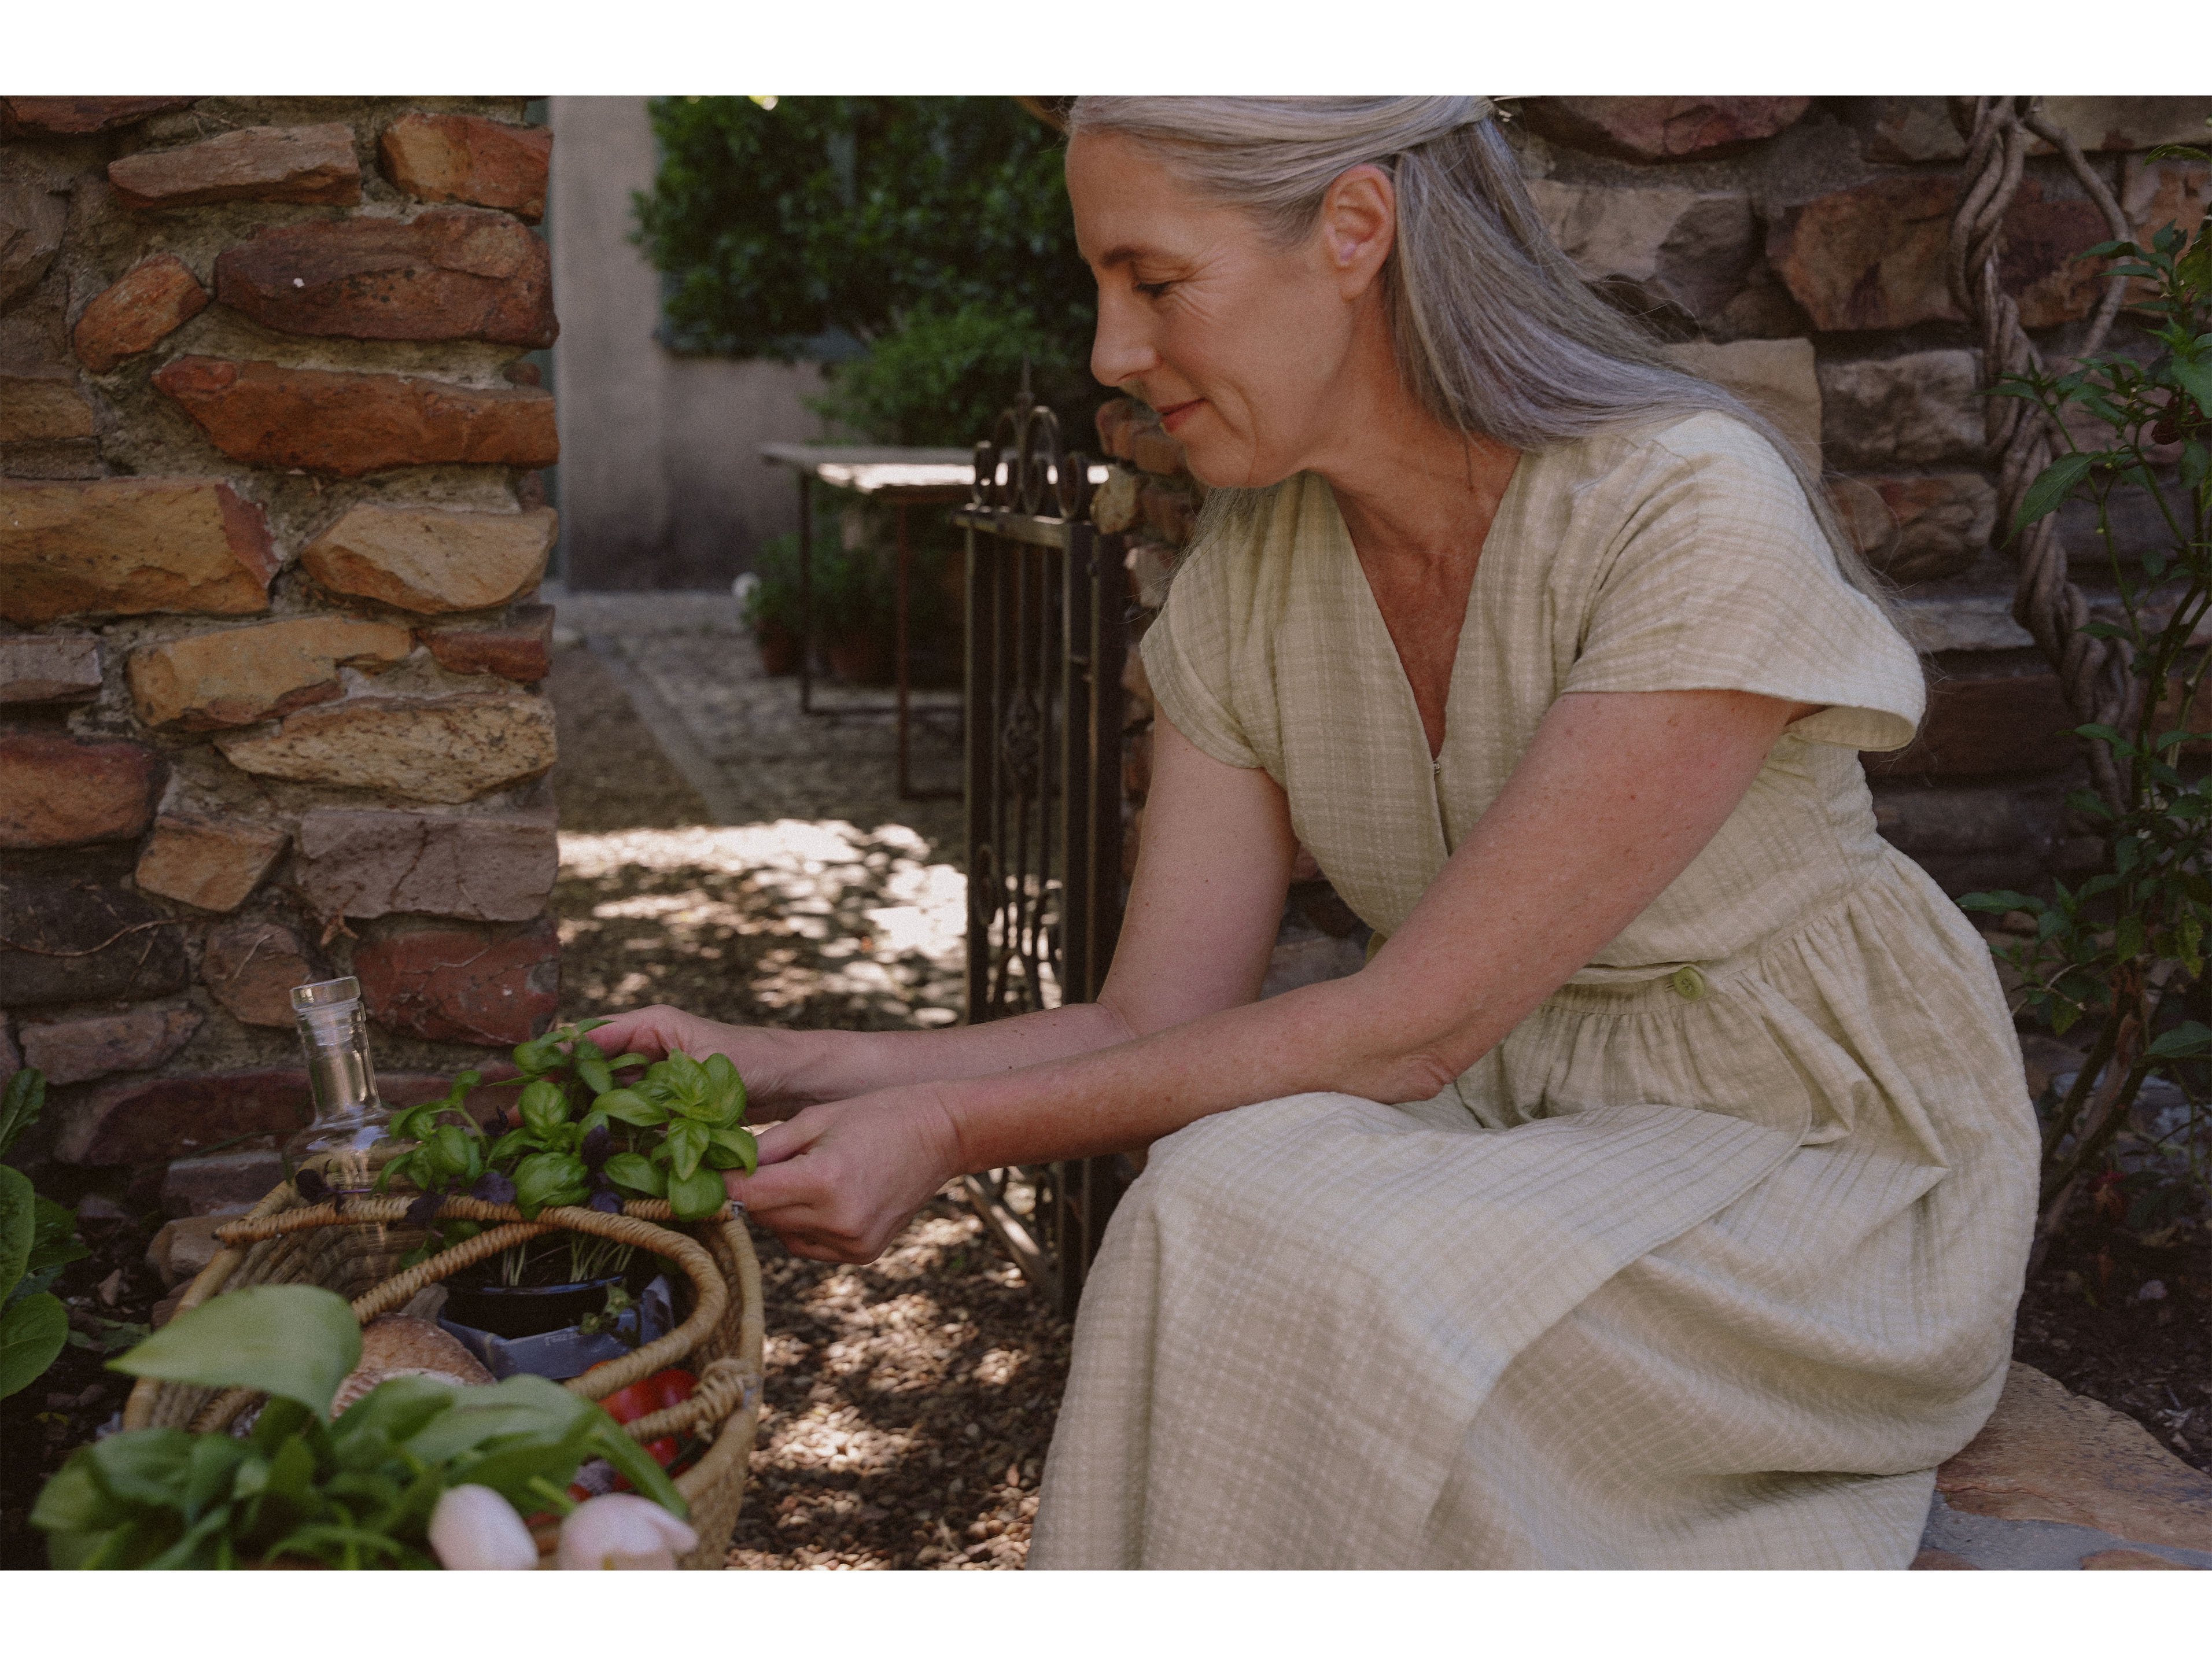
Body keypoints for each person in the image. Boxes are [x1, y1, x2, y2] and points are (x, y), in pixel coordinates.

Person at [590, 95, 2040, 1569]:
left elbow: (1413, 1029)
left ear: (1355, 230)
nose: (1112, 352)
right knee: (1215, 1201)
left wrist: (947, 1135)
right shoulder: (1250, 580)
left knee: (1300, 1236)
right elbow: (1147, 1017)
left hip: (1805, 1162)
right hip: (1496, 1136)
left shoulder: (1679, 512)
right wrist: (790, 1067)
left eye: (1154, 283)